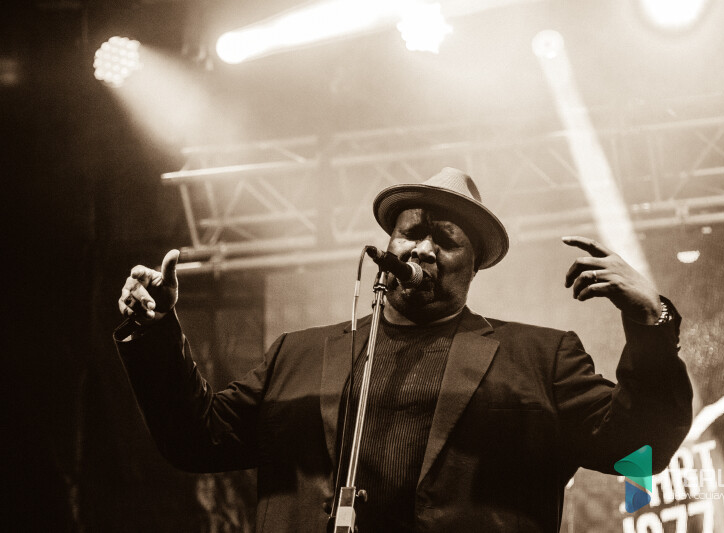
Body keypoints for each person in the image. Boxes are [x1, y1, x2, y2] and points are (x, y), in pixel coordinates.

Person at [115, 167, 693, 533]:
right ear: (388, 245)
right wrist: (158, 332)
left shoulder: (539, 358)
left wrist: (651, 320)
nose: (423, 248)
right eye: (411, 232)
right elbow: (196, 440)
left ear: (473, 266)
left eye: (445, 240)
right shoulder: (297, 356)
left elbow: (639, 452)